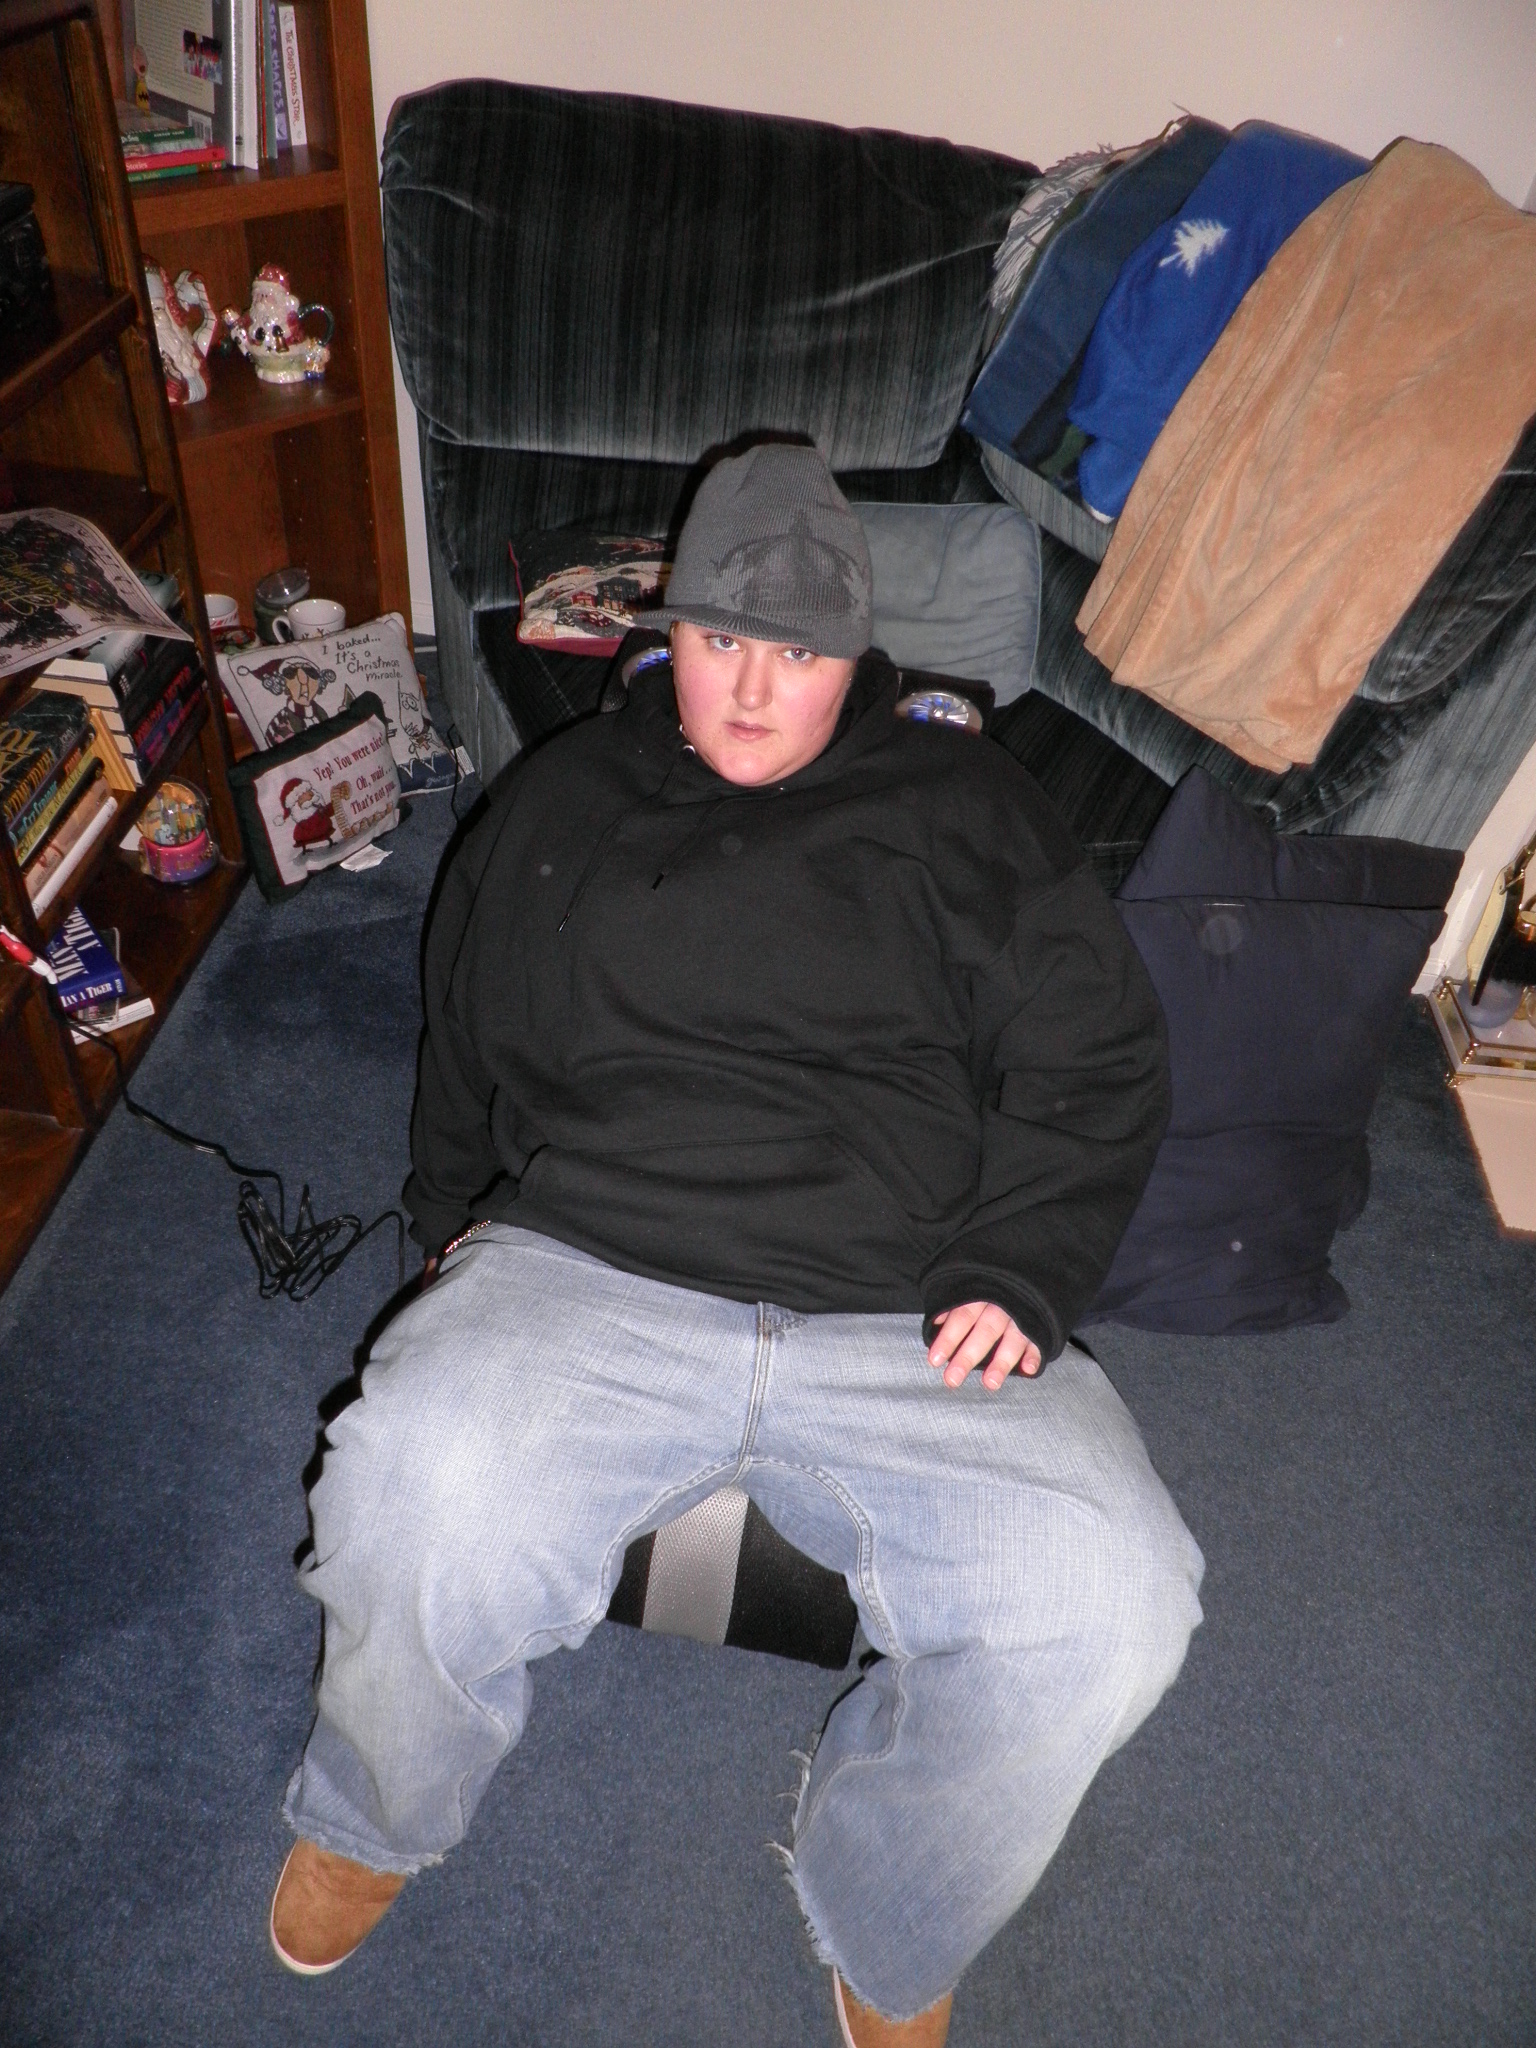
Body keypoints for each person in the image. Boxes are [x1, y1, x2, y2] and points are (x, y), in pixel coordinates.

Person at [269, 444, 1204, 2047]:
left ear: (857, 653)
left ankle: (891, 1908)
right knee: (408, 1485)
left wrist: (1024, 1263)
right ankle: (376, 1812)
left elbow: (1097, 1057)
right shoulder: (565, 797)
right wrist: (448, 1234)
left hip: (907, 1297)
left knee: (1116, 1601)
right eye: (720, 642)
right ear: (668, 631)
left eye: (800, 654)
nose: (756, 692)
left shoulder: (968, 805)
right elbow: (464, 1036)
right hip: (598, 1259)